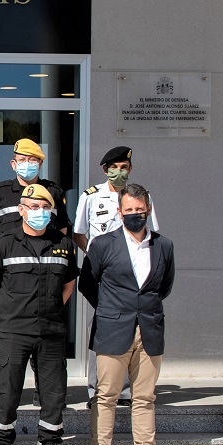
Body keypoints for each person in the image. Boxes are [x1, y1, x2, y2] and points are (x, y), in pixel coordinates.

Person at [0, 183, 78, 445]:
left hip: (50, 332)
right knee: (7, 397)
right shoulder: (5, 243)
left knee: (53, 397)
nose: (39, 212)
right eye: (32, 207)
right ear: (21, 210)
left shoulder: (63, 244)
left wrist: (48, 312)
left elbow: (68, 284)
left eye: (44, 208)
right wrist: (7, 318)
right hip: (13, 333)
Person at [79, 183, 174, 445]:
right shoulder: (103, 244)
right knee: (106, 395)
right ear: (119, 212)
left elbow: (164, 287)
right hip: (112, 329)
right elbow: (87, 283)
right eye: (129, 210)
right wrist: (111, 309)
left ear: (148, 210)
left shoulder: (164, 245)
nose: (135, 215)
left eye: (140, 210)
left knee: (144, 397)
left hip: (149, 329)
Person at [0, 138, 71, 410]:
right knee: (8, 346)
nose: (28, 165)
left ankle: (45, 392)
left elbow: (63, 227)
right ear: (13, 163)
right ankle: (3, 392)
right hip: (11, 274)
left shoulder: (52, 191)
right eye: (23, 160)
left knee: (47, 348)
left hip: (46, 272)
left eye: (34, 161)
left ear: (40, 163)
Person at [74, 146, 161, 408]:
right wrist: (95, 255)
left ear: (130, 169)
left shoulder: (141, 197)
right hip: (102, 273)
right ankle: (97, 391)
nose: (119, 172)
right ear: (105, 170)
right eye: (114, 168)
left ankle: (125, 391)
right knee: (102, 326)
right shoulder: (91, 196)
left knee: (133, 327)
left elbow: (153, 231)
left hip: (133, 274)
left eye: (124, 167)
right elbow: (79, 232)